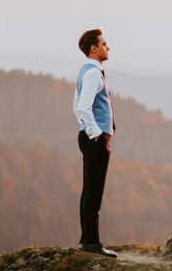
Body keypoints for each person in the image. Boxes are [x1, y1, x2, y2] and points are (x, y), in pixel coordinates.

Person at [73, 28, 118, 258]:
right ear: (93, 48)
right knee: (94, 191)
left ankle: (87, 239)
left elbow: (76, 105)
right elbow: (82, 107)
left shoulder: (86, 71)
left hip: (90, 137)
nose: (107, 47)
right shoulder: (92, 73)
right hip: (95, 140)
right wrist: (96, 133)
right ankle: (91, 242)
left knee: (89, 190)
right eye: (103, 43)